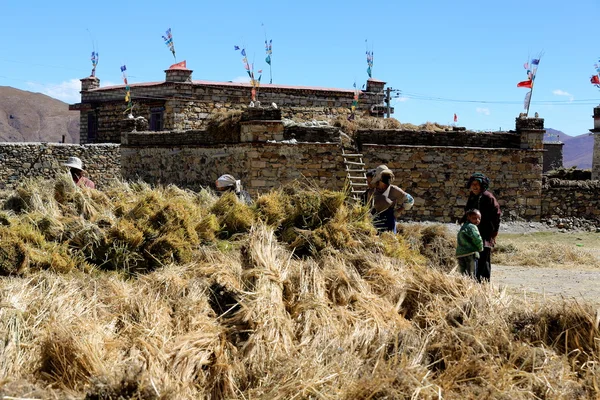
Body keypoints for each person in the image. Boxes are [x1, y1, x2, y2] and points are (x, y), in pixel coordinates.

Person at [462, 172, 501, 282]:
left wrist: (494, 233)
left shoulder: (488, 197)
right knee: (473, 258)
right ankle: (473, 282)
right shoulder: (472, 196)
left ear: (482, 185)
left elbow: (497, 215)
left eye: (477, 184)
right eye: (473, 184)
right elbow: (468, 212)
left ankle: (483, 284)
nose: (474, 186)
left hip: (485, 232)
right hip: (473, 232)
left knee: (483, 258)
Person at [370, 165, 414, 233]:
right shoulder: (373, 190)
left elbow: (410, 200)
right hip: (374, 221)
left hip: (389, 222)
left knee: (389, 241)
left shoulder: (393, 190)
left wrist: (398, 211)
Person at [456, 209, 484, 278]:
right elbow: (477, 238)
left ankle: (462, 286)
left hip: (460, 254)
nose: (477, 220)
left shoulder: (464, 227)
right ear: (468, 217)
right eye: (474, 218)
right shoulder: (472, 227)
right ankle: (470, 286)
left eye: (479, 219)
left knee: (463, 274)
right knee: (471, 274)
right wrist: (480, 248)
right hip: (470, 253)